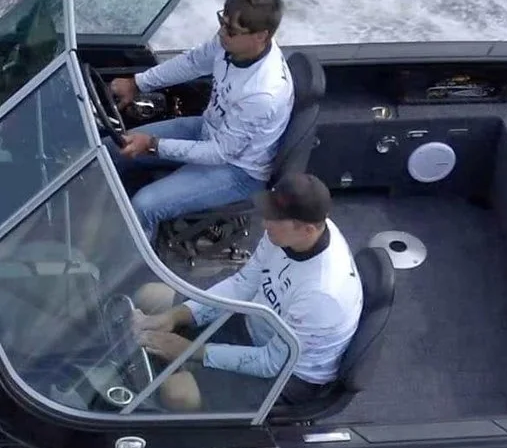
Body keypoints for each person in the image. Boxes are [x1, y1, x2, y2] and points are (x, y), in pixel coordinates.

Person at [129, 173, 362, 412]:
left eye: (275, 220)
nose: (264, 224)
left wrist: (188, 350)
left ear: (307, 230)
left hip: (289, 372)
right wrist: (176, 316)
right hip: (259, 320)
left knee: (176, 392)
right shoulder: (287, 235)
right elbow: (243, 284)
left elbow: (271, 362)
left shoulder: (323, 294)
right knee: (151, 297)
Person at [108, 0, 292, 229]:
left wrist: (153, 145)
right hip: (209, 128)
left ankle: (136, 263)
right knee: (112, 149)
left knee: (144, 206)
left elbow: (219, 153)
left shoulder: (262, 93)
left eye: (231, 30)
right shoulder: (230, 44)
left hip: (237, 169)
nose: (222, 32)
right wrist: (137, 83)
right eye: (222, 22)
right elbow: (192, 63)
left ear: (261, 36)